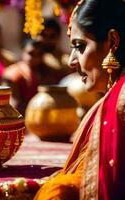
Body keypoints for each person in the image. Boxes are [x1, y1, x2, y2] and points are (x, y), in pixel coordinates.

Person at [34, 0, 125, 199]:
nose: (71, 61)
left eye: (80, 46)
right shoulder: (108, 102)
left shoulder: (121, 102)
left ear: (112, 42)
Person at [2, 39, 60, 114]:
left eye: (39, 54)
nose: (35, 58)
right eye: (31, 53)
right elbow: (14, 105)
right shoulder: (13, 73)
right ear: (23, 52)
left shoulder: (48, 72)